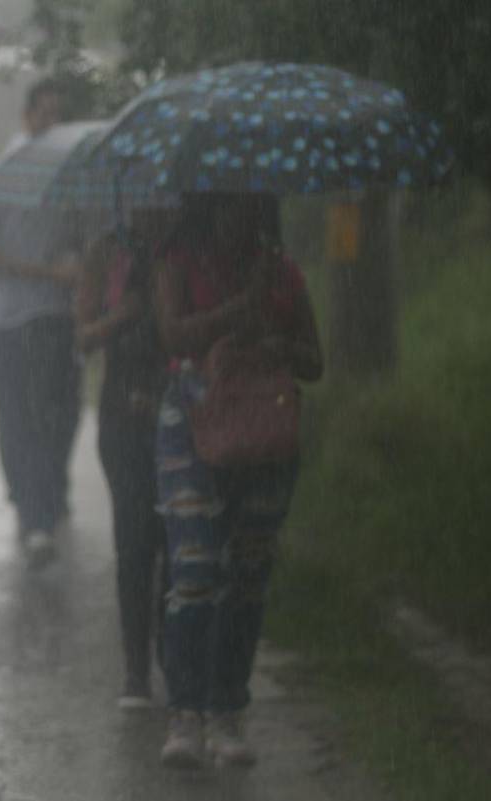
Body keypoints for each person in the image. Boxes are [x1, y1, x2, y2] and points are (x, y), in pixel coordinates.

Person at [151, 193, 323, 769]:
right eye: (225, 205)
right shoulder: (178, 261)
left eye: (247, 206)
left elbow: (313, 360)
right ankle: (185, 714)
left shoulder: (282, 270)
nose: (237, 218)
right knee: (196, 568)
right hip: (194, 423)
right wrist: (234, 313)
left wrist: (272, 339)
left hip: (264, 429)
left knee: (248, 572)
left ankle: (227, 711)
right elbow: (172, 337)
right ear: (203, 206)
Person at [0, 78, 82, 566]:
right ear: (26, 116)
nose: (49, 125)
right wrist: (43, 271)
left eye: (58, 117)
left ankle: (46, 493)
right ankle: (34, 513)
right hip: (3, 318)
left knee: (61, 413)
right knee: (19, 418)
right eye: (43, 115)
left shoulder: (77, 180)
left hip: (55, 317)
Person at [74, 208, 175, 709]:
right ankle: (136, 670)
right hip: (123, 419)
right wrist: (125, 313)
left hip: (184, 415)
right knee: (134, 543)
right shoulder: (106, 253)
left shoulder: (187, 250)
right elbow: (83, 336)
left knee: (178, 542)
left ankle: (173, 658)